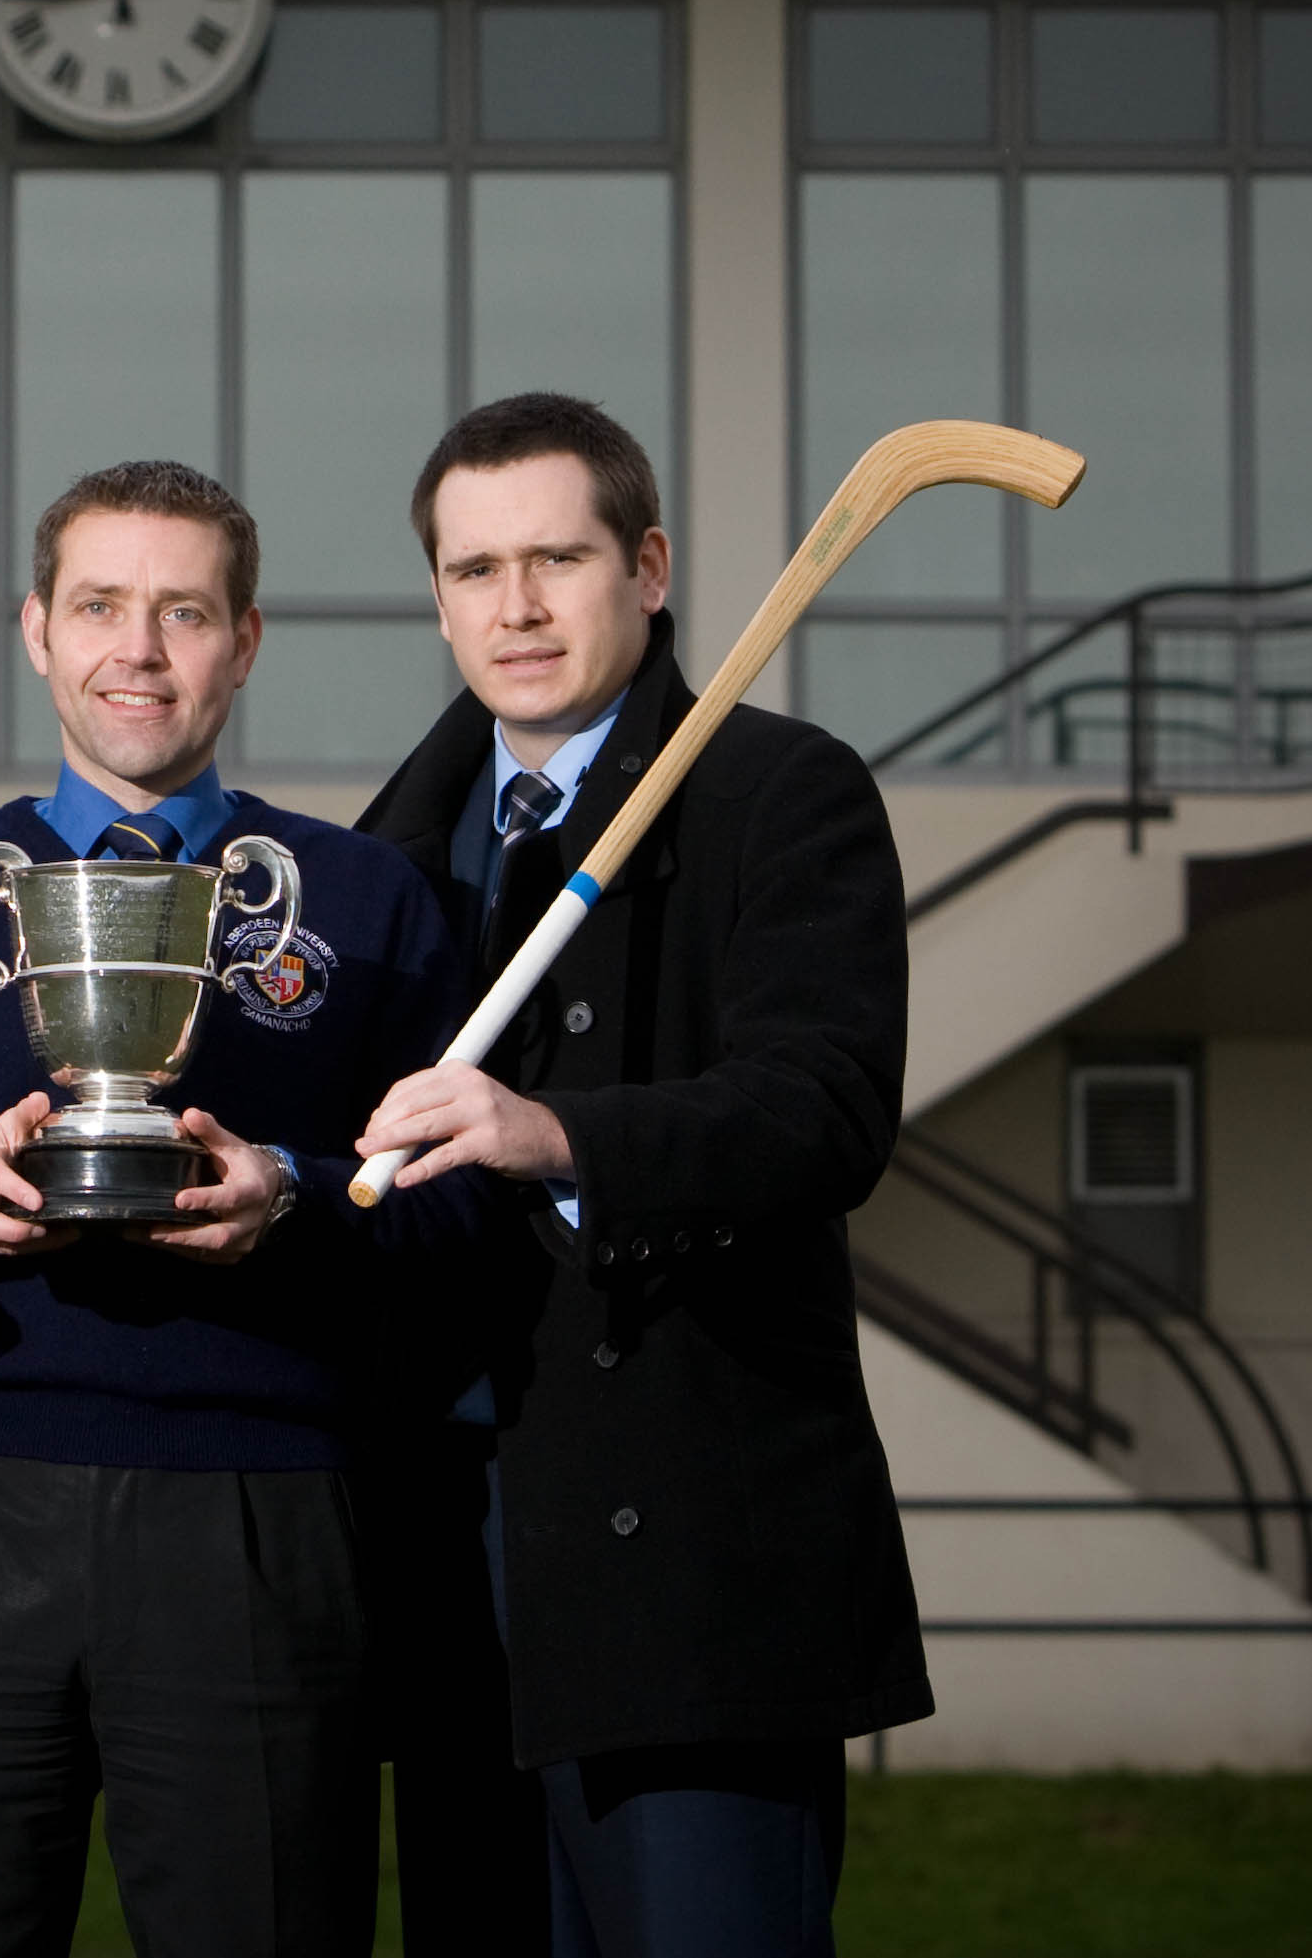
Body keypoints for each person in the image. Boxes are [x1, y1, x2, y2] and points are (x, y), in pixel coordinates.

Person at [0, 461, 479, 1958]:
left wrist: (294, 1199)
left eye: (184, 611)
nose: (138, 649)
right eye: (99, 605)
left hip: (260, 1521)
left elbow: (459, 1239)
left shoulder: (364, 903)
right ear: (36, 629)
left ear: (247, 638)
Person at [352, 393, 930, 1958]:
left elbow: (823, 1110)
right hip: (459, 1568)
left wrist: (561, 1137)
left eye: (558, 557)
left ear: (650, 565)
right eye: (475, 570)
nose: (517, 607)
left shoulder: (781, 794)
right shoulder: (382, 860)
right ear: (439, 597)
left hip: (690, 1565)